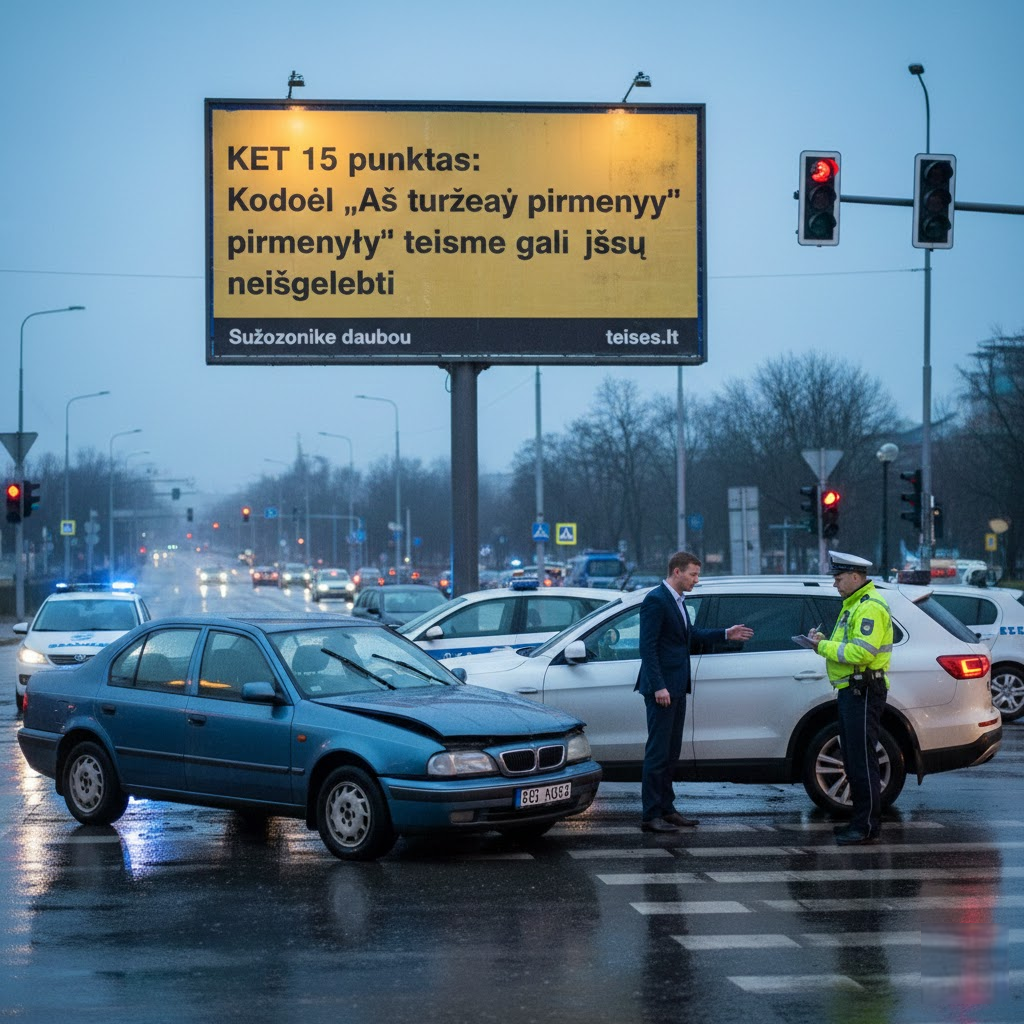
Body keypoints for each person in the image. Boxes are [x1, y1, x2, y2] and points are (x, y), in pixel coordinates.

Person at [634, 551, 754, 833]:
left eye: (697, 575)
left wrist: (726, 633)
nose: (696, 580)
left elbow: (689, 636)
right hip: (662, 689)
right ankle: (650, 814)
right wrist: (659, 685)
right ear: (677, 572)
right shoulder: (656, 600)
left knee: (671, 751)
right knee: (658, 752)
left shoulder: (678, 601)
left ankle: (667, 808)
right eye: (693, 574)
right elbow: (647, 647)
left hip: (676, 686)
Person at [808, 550, 893, 846]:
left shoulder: (868, 608)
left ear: (856, 577)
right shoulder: (854, 605)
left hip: (864, 690)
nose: (835, 584)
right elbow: (847, 646)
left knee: (861, 760)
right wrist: (823, 641)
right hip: (853, 690)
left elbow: (862, 652)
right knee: (854, 758)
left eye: (839, 578)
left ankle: (866, 826)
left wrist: (822, 648)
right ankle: (861, 822)